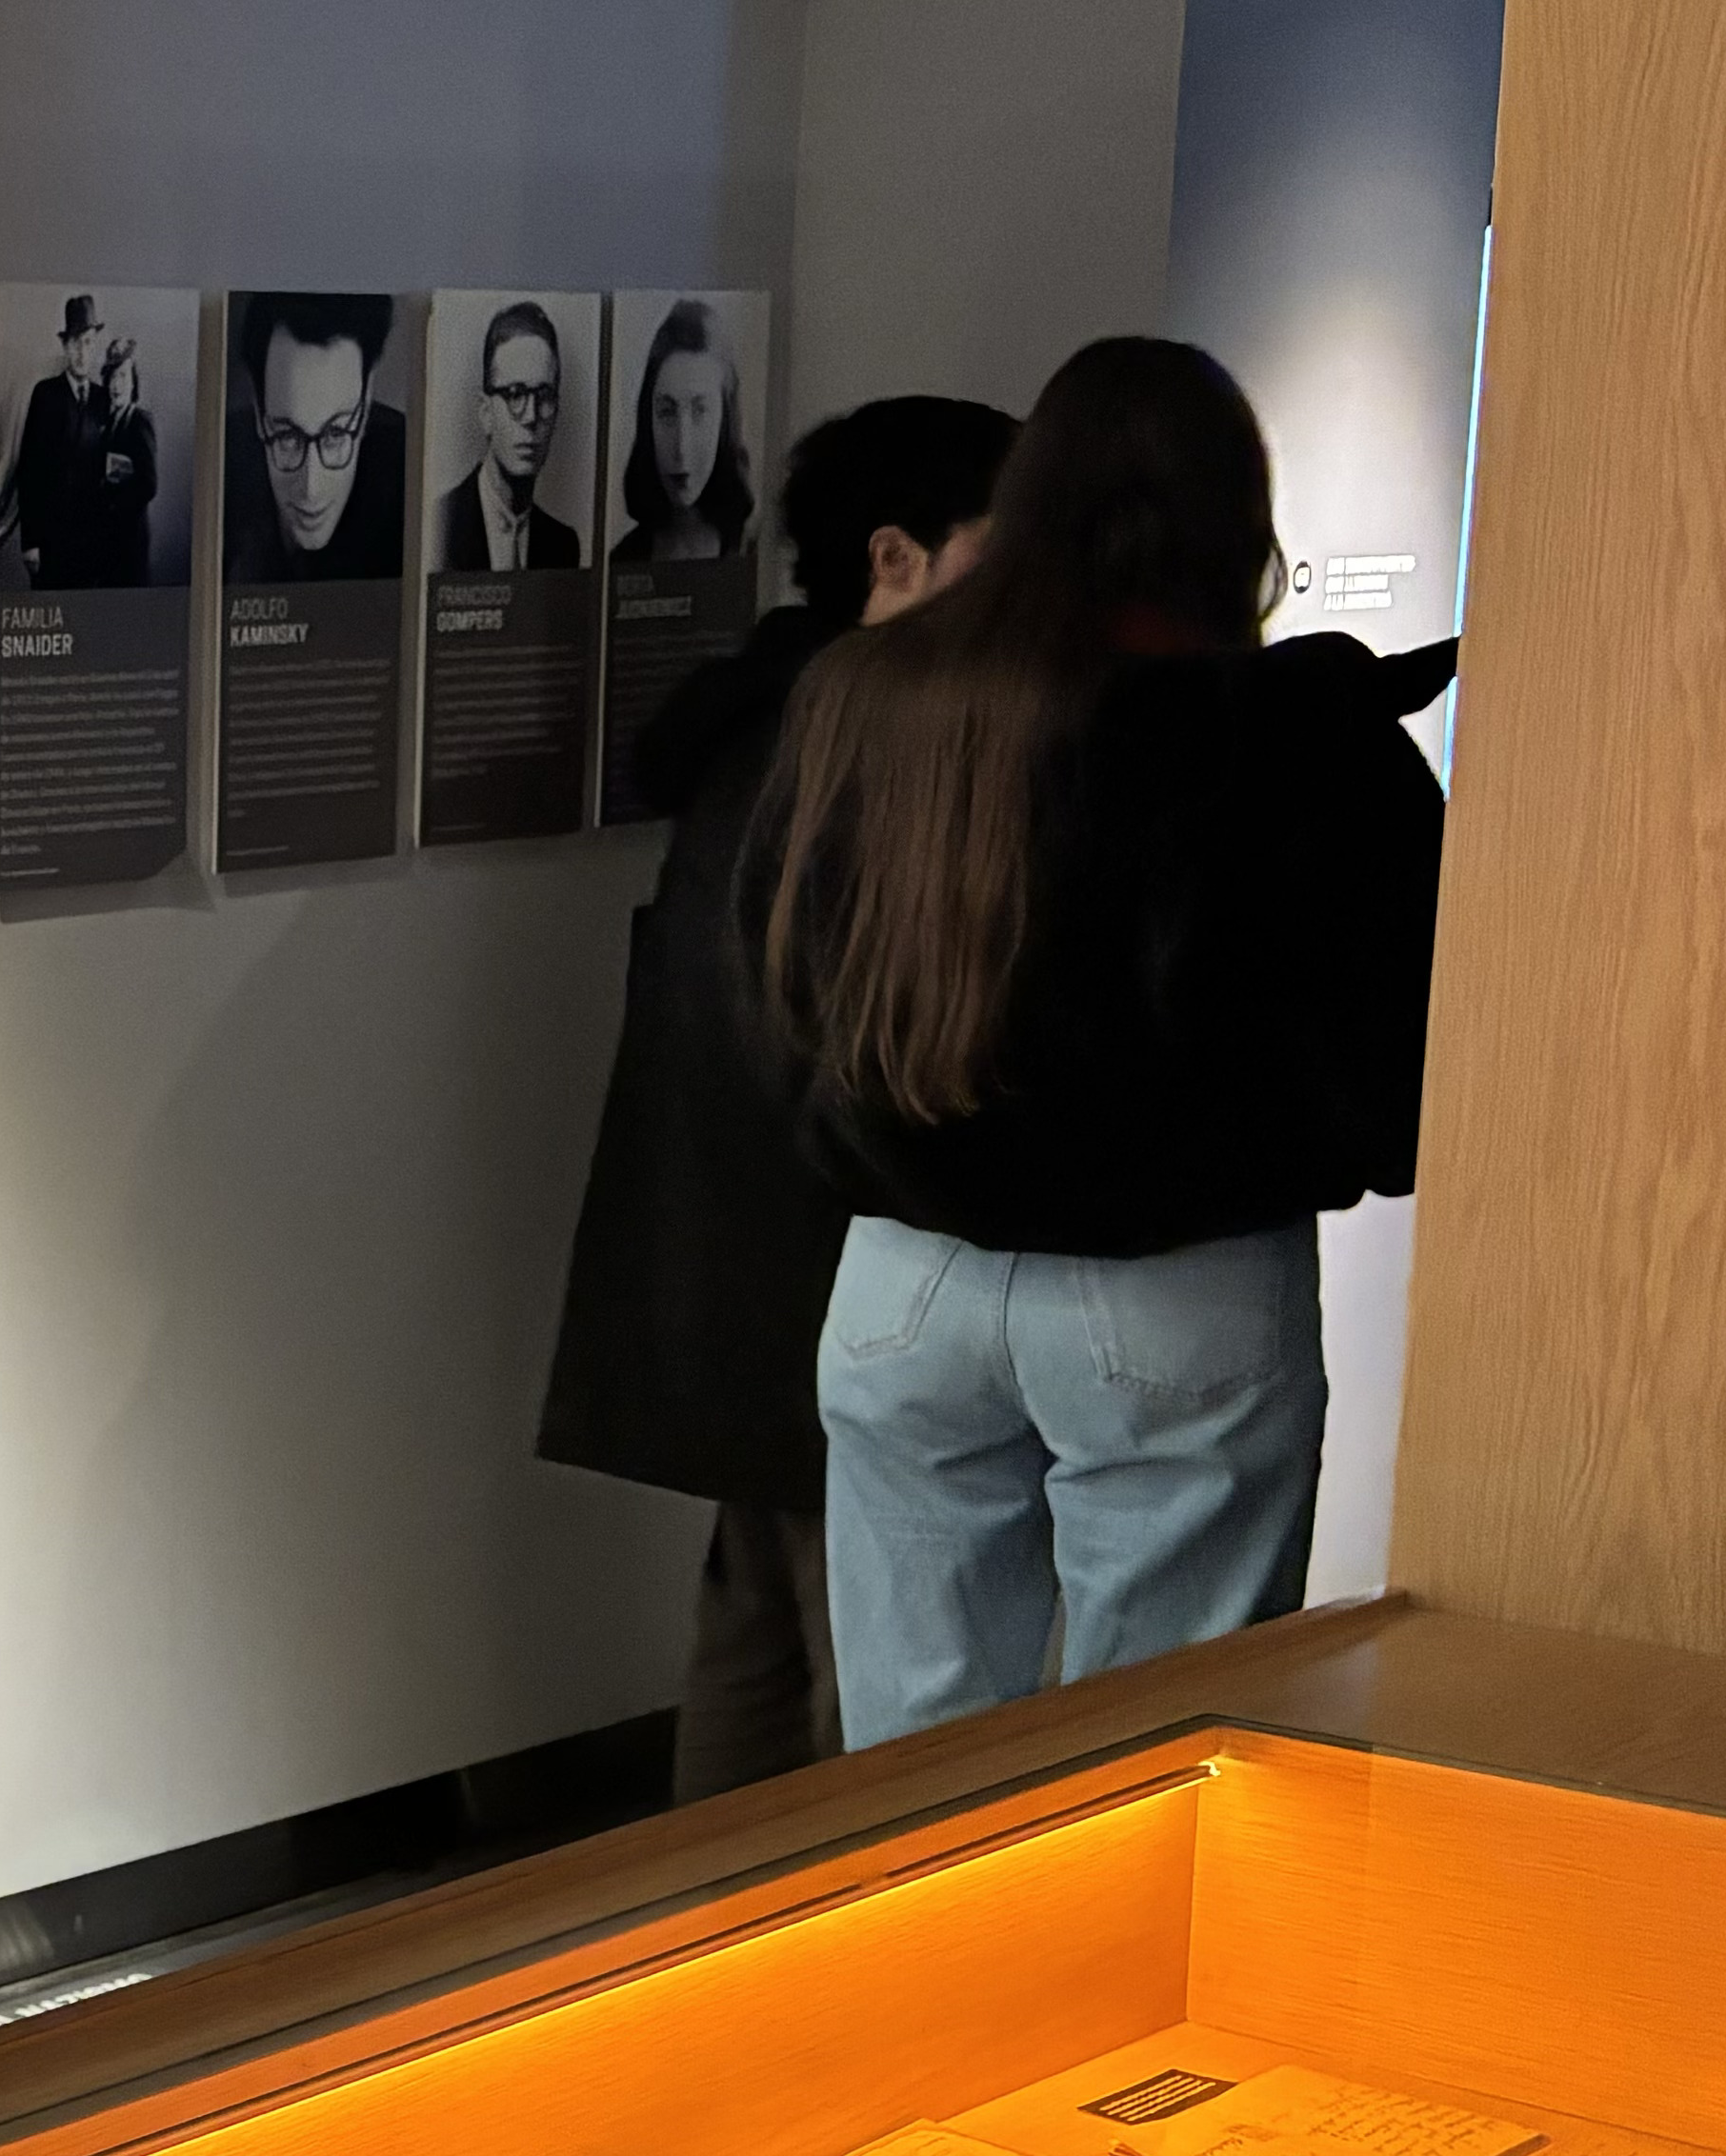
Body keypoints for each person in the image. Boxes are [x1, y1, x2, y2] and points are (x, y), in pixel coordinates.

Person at [752, 336, 1446, 1747]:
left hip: (902, 1273)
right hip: (1178, 1280)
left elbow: (779, 974)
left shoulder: (870, 698)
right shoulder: (1291, 736)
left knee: (910, 1770)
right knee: (1156, 1758)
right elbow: (1405, 1031)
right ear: (1239, 522)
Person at [537, 394, 1015, 1798]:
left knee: (753, 1634)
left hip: (728, 1269)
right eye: (1003, 547)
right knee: (861, 1668)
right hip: (823, 1274)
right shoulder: (867, 739)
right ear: (896, 558)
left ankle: (712, 1912)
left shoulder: (759, 720)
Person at [224, 289, 406, 583]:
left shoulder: (408, 474)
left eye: (336, 433)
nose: (311, 489)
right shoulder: (219, 466)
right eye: (287, 436)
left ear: (366, 400)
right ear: (259, 412)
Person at [0, 293, 156, 591]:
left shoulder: (102, 398)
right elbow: (29, 471)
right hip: (52, 542)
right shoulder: (45, 395)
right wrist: (30, 542)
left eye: (87, 343)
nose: (82, 353)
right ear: (65, 347)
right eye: (75, 343)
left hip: (94, 545)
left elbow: (123, 466)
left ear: (94, 345)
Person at [438, 302, 584, 572]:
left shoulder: (563, 545)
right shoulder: (439, 527)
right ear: (486, 413)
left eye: (544, 396)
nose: (531, 416)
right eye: (515, 394)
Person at [612, 301, 754, 566]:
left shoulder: (752, 553)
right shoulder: (623, 559)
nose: (681, 447)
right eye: (667, 412)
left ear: (724, 421)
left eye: (700, 411)